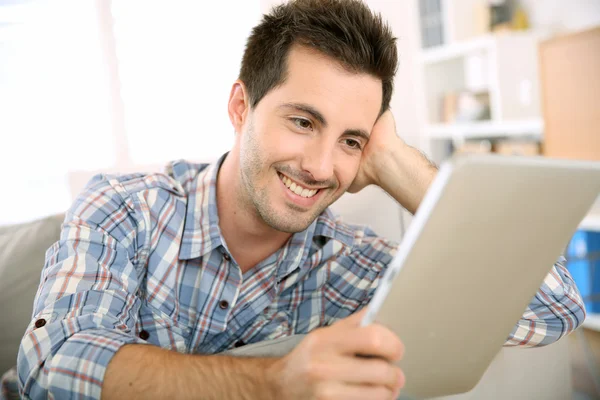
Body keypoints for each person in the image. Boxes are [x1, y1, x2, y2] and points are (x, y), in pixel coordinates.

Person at [11, 0, 584, 399]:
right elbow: (51, 364)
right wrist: (273, 384)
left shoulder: (347, 264)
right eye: (304, 121)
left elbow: (555, 307)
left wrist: (395, 162)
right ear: (241, 108)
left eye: (350, 141)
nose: (319, 167)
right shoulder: (125, 208)